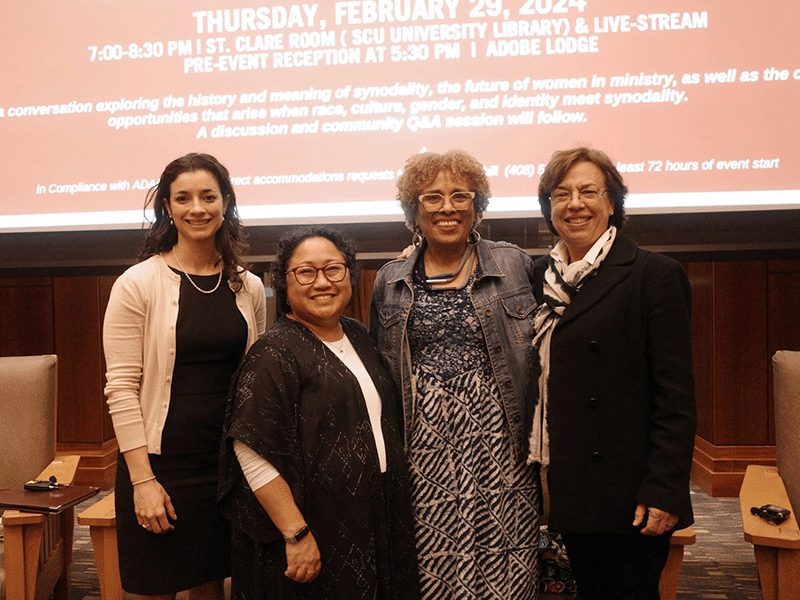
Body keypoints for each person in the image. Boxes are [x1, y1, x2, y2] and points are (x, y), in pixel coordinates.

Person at [369, 150, 541, 599]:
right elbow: (381, 370)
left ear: (476, 204)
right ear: (414, 210)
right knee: (433, 560)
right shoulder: (390, 279)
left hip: (501, 439)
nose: (448, 207)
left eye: (459, 196)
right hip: (423, 443)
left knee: (506, 556)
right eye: (432, 198)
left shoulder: (514, 264)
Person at [530, 147, 696, 599]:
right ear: (548, 206)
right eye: (560, 194)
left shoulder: (653, 275)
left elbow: (675, 398)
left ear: (612, 202)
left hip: (629, 493)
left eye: (588, 191)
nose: (574, 203)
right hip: (564, 483)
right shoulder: (537, 277)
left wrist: (665, 489)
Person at [218, 226, 420, 600]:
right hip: (310, 528)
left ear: (350, 276)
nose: (321, 282)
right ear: (284, 282)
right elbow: (251, 452)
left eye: (333, 269)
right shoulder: (272, 354)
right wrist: (295, 533)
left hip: (370, 517)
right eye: (306, 272)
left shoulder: (358, 335)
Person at [103, 152, 267, 599]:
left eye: (208, 196)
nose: (198, 208)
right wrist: (142, 481)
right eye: (184, 198)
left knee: (211, 586)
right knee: (153, 587)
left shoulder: (247, 286)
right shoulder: (137, 283)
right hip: (159, 466)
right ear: (168, 208)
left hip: (222, 465)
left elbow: (254, 380)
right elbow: (120, 389)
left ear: (226, 201)